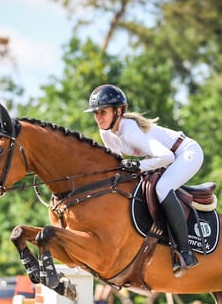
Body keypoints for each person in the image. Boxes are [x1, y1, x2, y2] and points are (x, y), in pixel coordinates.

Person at [85, 84, 204, 277]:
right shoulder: (106, 132)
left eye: (103, 112)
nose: (98, 117)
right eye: (95, 113)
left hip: (186, 153)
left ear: (118, 111)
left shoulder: (129, 130)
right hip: (166, 158)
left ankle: (186, 251)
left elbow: (166, 157)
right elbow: (118, 164)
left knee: (163, 188)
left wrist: (138, 166)